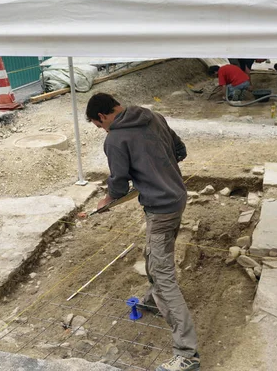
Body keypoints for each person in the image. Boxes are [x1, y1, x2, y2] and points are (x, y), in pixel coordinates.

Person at [86, 93, 200, 371]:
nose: (102, 130)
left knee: (163, 277)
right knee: (154, 254)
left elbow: (119, 184)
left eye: (98, 125)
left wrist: (107, 200)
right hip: (176, 198)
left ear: (102, 116)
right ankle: (152, 301)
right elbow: (180, 150)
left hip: (160, 209)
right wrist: (159, 171)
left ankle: (187, 354)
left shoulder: (115, 139)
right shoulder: (154, 116)